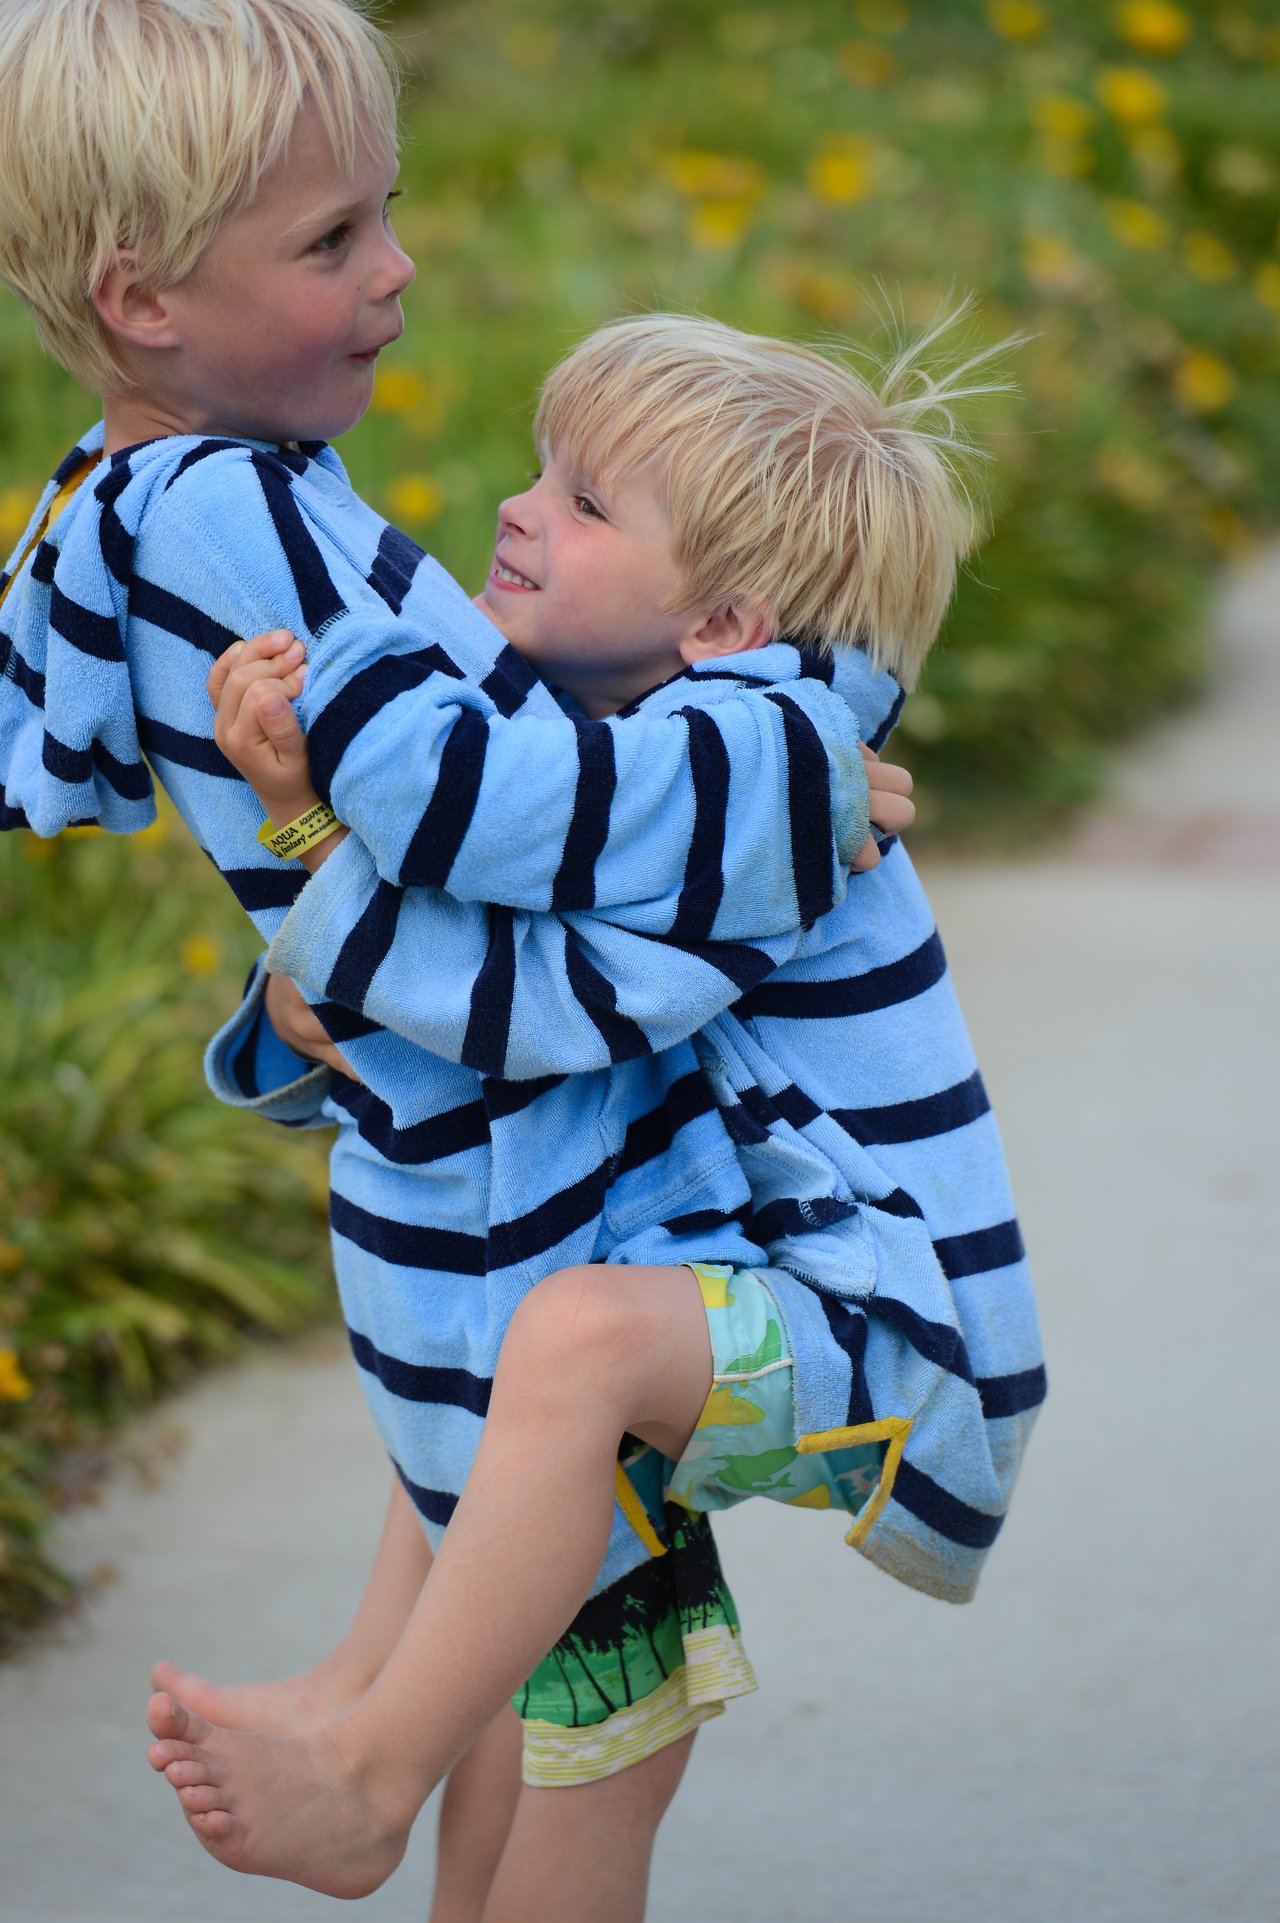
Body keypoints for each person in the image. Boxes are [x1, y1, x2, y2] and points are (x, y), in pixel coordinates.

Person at [0, 3, 913, 1917]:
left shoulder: (119, 498)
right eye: (333, 242)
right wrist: (790, 779)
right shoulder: (237, 515)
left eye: (384, 217)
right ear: (144, 293)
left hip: (442, 1170)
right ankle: (364, 1765)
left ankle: (377, 1750)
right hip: (544, 1169)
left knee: (535, 1693)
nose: (396, 270)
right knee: (608, 1721)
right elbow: (483, 791)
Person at [157, 309, 1044, 1898]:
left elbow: (537, 1013)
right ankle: (382, 1689)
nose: (516, 507)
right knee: (502, 1346)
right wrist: (311, 955)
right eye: (542, 469)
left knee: (561, 1340)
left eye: (583, 504)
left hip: (882, 1309)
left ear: (720, 620)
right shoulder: (639, 757)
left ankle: (369, 1756)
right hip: (736, 1257)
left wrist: (310, 834)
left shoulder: (746, 779)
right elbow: (485, 969)